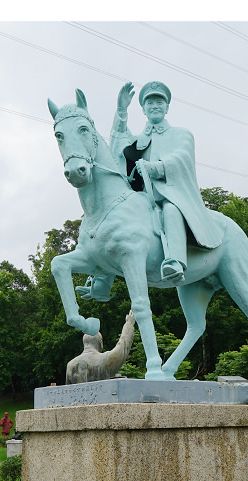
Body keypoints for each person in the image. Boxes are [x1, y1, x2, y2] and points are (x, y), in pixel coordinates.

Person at [111, 81, 223, 284]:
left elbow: (182, 158)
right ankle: (103, 277)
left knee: (171, 209)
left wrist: (156, 167)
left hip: (173, 195)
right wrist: (121, 111)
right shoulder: (138, 140)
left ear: (167, 107)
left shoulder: (181, 134)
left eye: (159, 102)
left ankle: (175, 262)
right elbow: (117, 146)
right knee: (115, 217)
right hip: (143, 198)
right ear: (143, 109)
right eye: (150, 102)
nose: (154, 105)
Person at [66, 310, 136, 384]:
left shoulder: (70, 365)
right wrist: (129, 324)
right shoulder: (104, 359)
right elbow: (122, 347)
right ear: (100, 343)